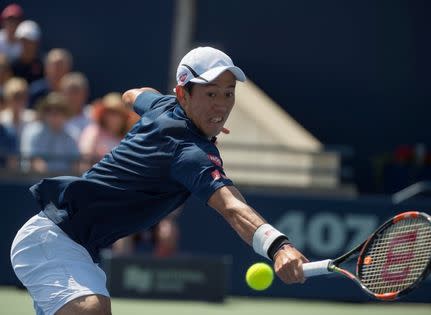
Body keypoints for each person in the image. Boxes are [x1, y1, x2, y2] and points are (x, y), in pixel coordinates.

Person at [10, 47, 308, 315]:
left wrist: (198, 118)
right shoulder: (190, 153)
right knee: (92, 311)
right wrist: (279, 246)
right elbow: (231, 206)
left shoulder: (163, 108)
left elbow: (132, 94)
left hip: (75, 248)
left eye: (228, 93)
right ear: (184, 94)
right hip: (52, 240)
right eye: (210, 94)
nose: (221, 105)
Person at [20, 92, 79, 173]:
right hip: (37, 182)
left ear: (65, 113)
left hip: (65, 182)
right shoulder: (32, 132)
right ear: (44, 113)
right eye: (49, 109)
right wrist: (49, 181)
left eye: (59, 109)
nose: (54, 113)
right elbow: (33, 161)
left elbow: (76, 164)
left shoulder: (73, 133)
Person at [60, 72, 91, 140]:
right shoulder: (54, 118)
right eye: (69, 92)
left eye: (76, 91)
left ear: (85, 93)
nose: (73, 97)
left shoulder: (94, 115)